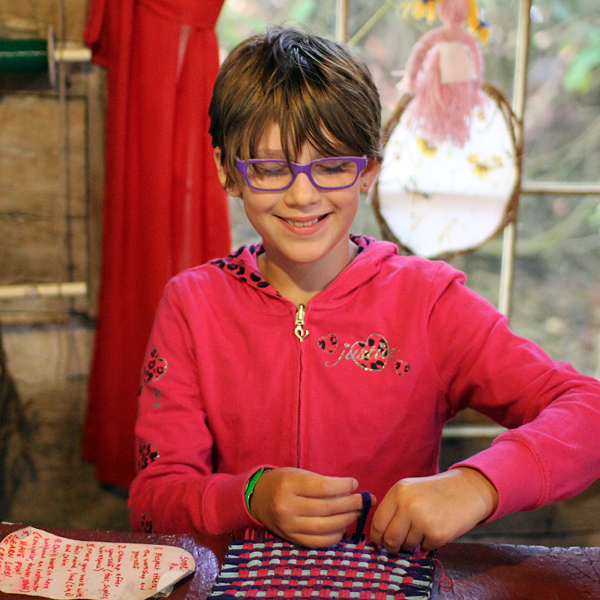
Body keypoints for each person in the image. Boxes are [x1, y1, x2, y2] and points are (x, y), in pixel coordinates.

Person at [128, 27, 600, 553]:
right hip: (239, 583)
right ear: (227, 171)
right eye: (270, 169)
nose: (302, 195)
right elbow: (153, 500)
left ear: (368, 172)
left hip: (398, 582)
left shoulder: (427, 302)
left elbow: (589, 411)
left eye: (332, 166)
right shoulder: (193, 305)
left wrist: (478, 485)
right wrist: (250, 496)